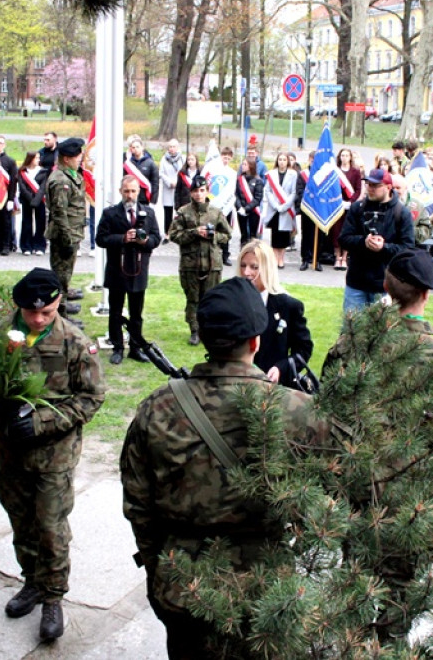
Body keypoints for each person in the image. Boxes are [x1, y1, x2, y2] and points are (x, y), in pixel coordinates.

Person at [121, 276, 328, 659]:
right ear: (255, 342)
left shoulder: (157, 408)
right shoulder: (300, 411)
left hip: (184, 585)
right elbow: (325, 502)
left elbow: (137, 504)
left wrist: (159, 568)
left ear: (204, 338)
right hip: (267, 589)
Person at [0, 268, 106, 642]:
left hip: (54, 457)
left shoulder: (74, 342)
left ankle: (54, 598)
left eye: (47, 312)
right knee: (22, 523)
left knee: (51, 528)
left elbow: (91, 398)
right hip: (12, 454)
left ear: (58, 303)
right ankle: (32, 582)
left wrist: (41, 423)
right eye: (31, 313)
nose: (39, 319)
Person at [96, 176, 162, 364]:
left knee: (136, 313)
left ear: (138, 192)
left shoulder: (148, 213)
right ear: (120, 191)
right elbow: (101, 239)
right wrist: (122, 238)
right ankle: (117, 347)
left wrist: (145, 241)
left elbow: (156, 238)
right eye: (126, 191)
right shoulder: (110, 213)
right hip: (117, 269)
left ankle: (135, 347)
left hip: (139, 269)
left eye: (133, 191)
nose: (130, 195)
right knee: (115, 311)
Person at [238, 240, 313, 389]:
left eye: (254, 267)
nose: (246, 272)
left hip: (273, 389)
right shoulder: (232, 303)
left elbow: (303, 349)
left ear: (267, 268)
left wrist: (281, 368)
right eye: (243, 265)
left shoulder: (288, 306)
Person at [338, 168, 416, 313]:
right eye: (368, 184)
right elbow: (343, 239)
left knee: (381, 333)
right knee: (352, 333)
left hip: (385, 286)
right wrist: (363, 242)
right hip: (356, 283)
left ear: (388, 187)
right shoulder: (357, 208)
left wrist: (384, 247)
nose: (370, 188)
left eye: (375, 185)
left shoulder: (402, 213)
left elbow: (408, 249)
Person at [168, 175, 233, 345]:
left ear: (207, 191)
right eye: (195, 191)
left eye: (202, 190)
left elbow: (228, 234)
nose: (198, 194)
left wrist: (213, 236)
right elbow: (173, 235)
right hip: (190, 264)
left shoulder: (216, 213)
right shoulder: (183, 212)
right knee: (193, 299)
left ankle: (209, 330)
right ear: (191, 192)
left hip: (212, 264)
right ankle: (194, 330)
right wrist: (194, 232)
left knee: (211, 299)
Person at [44, 137, 88, 320]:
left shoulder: (72, 175)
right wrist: (67, 240)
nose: (80, 159)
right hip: (64, 237)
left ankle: (62, 311)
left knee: (65, 276)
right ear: (67, 158)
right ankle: (60, 318)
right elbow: (59, 213)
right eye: (77, 156)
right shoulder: (60, 180)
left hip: (72, 234)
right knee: (60, 279)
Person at [263, 153, 298, 269]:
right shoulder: (271, 174)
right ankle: (274, 258)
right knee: (275, 235)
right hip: (274, 209)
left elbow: (294, 192)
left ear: (287, 161)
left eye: (284, 159)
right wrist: (275, 205)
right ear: (277, 161)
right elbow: (267, 191)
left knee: (284, 236)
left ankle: (281, 259)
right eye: (280, 159)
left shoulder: (293, 174)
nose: (282, 162)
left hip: (286, 209)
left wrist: (285, 205)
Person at [332, 147, 363, 271]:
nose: (344, 158)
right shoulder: (335, 171)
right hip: (337, 206)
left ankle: (344, 257)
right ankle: (337, 257)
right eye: (342, 155)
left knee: (347, 231)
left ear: (350, 157)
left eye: (346, 155)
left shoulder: (355, 172)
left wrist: (350, 202)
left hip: (349, 207)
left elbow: (358, 189)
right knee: (336, 232)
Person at [19, 151, 46, 255]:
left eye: (39, 158)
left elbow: (43, 187)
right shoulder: (22, 171)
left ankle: (39, 246)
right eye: (36, 158)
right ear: (30, 159)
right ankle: (26, 246)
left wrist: (36, 200)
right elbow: (22, 187)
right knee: (26, 223)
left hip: (40, 200)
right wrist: (30, 199)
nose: (38, 160)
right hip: (26, 201)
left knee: (40, 223)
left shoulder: (43, 171)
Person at [235, 156, 264, 246]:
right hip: (241, 211)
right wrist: (239, 207)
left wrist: (246, 208)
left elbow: (257, 198)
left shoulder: (258, 180)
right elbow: (236, 195)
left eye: (245, 164)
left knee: (252, 236)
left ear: (251, 166)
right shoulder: (239, 179)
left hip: (253, 212)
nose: (242, 166)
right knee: (243, 235)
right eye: (242, 164)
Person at [124, 137, 159, 208]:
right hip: (131, 199)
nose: (135, 149)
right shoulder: (128, 164)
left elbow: (155, 184)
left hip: (145, 200)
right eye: (133, 147)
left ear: (142, 147)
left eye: (137, 147)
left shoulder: (151, 164)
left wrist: (153, 201)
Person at [158, 138, 184, 234]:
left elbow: (184, 172)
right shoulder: (164, 159)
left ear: (177, 147)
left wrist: (178, 182)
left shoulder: (182, 158)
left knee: (180, 211)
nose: (172, 148)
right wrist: (169, 182)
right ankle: (167, 233)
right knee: (168, 211)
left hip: (179, 188)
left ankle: (179, 231)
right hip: (168, 188)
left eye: (174, 146)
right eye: (170, 147)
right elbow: (161, 173)